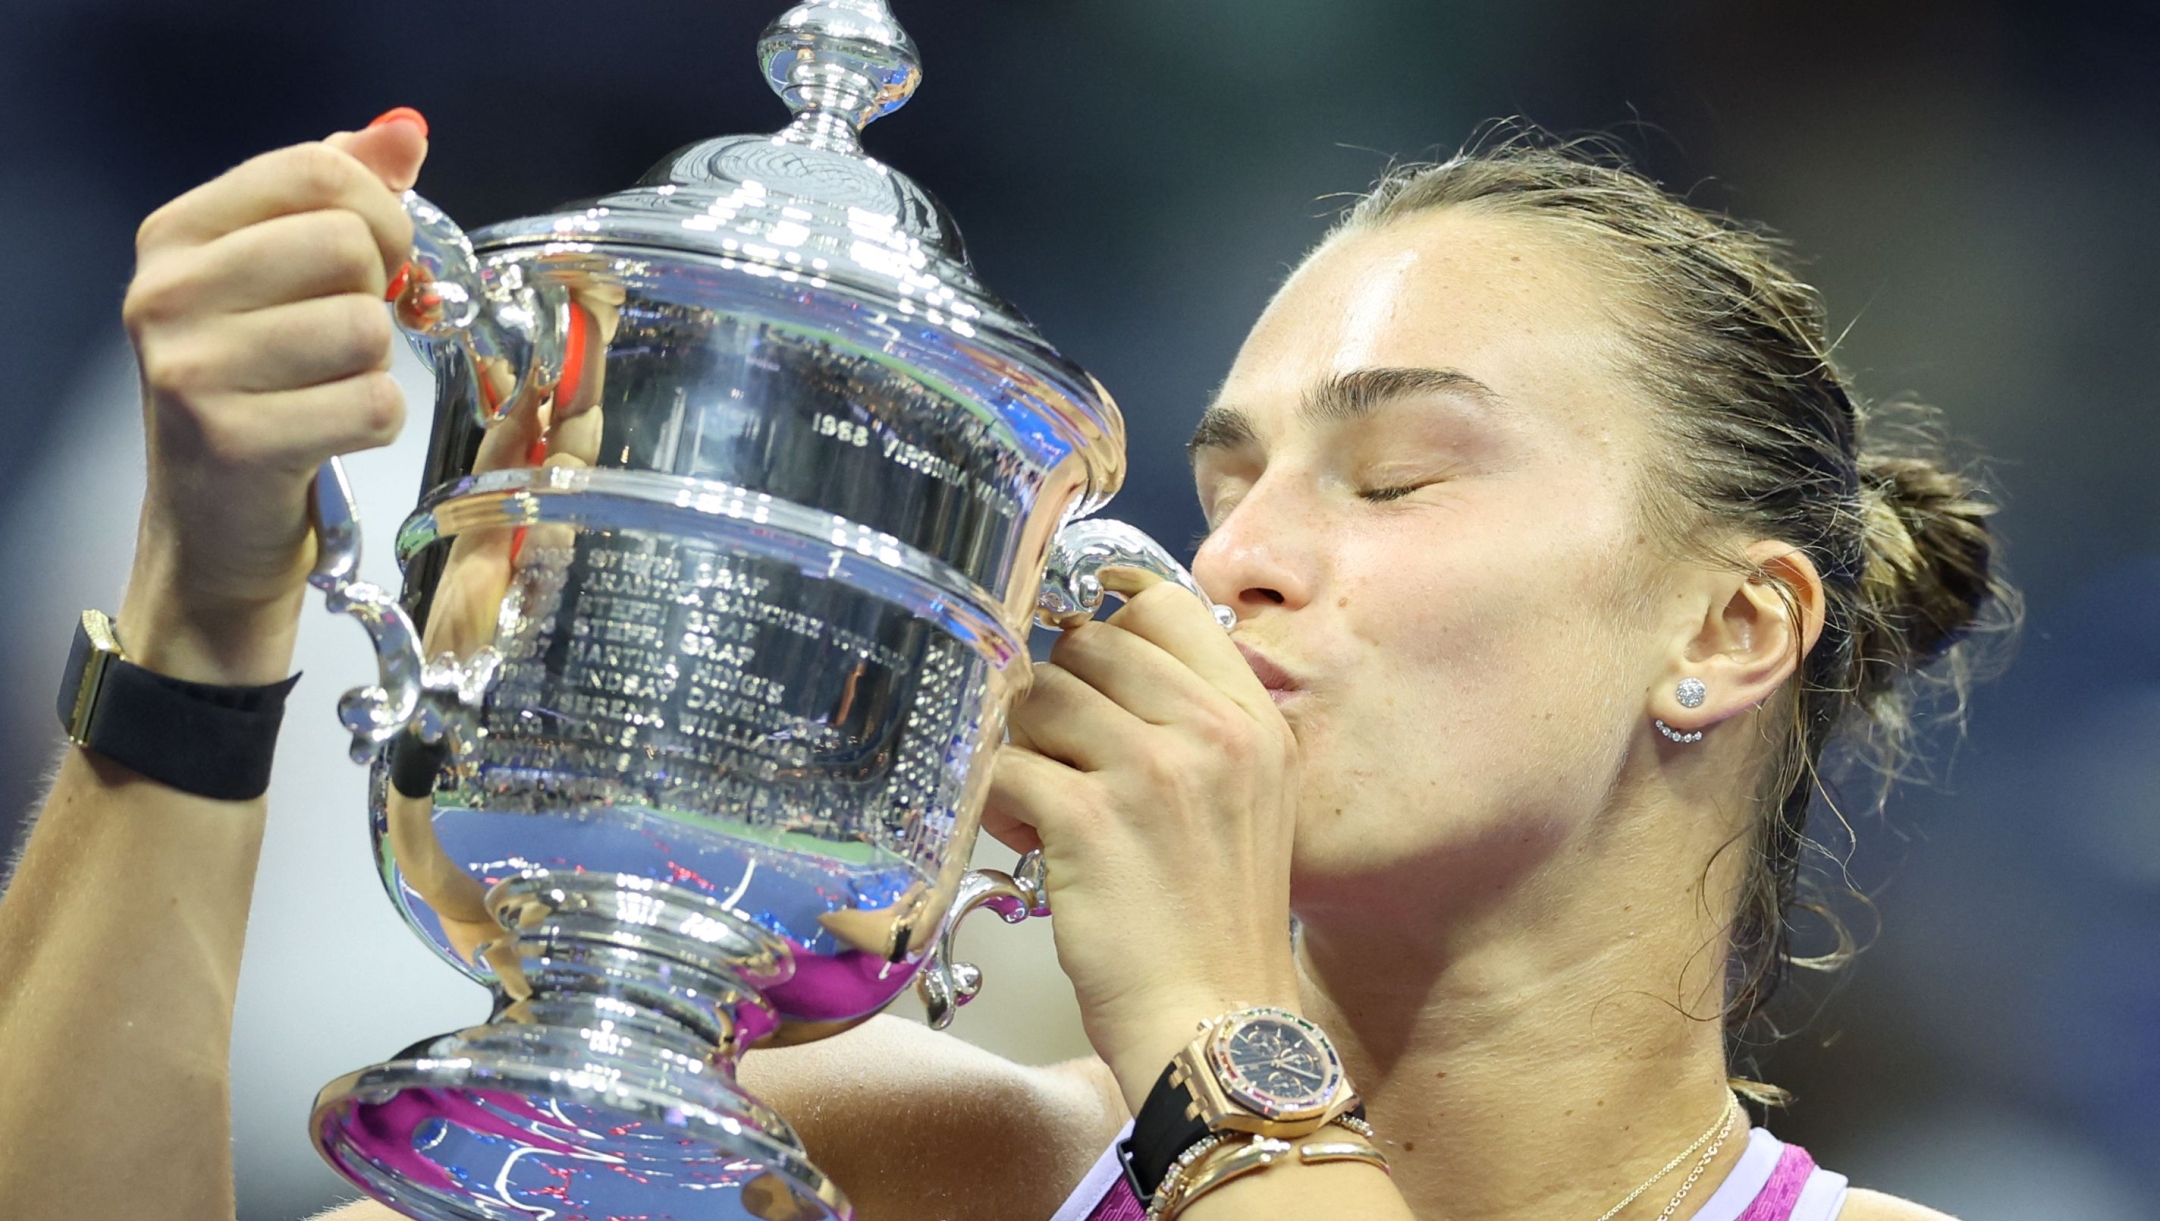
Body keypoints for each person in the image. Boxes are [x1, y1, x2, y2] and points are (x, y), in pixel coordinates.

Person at [0, 106, 2005, 1221]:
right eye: (1234, 481)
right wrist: (206, 608)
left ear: (1728, 627)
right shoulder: (891, 1160)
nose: (1250, 560)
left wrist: (1215, 1026)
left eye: (1397, 473)